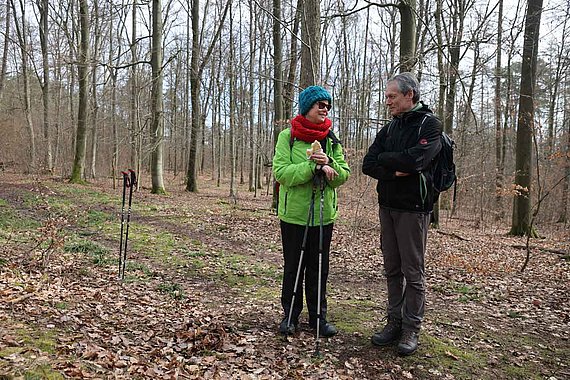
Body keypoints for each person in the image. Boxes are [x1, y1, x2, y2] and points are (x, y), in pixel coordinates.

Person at [362, 72, 442, 355]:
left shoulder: (429, 125)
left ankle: (411, 328)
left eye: (391, 96)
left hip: (414, 210)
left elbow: (417, 160)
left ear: (410, 95)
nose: (387, 102)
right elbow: (368, 163)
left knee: (413, 271)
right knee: (392, 269)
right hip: (388, 206)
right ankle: (393, 322)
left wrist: (393, 163)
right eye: (386, 97)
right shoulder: (389, 128)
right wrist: (396, 169)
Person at [273, 85, 350, 337]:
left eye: (327, 105)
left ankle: (319, 318)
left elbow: (343, 174)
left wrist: (329, 164)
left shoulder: (331, 138)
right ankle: (290, 316)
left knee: (319, 269)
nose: (325, 109)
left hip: (323, 215)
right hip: (294, 215)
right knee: (294, 266)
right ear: (307, 107)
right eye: (320, 104)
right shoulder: (288, 137)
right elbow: (281, 173)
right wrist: (311, 167)